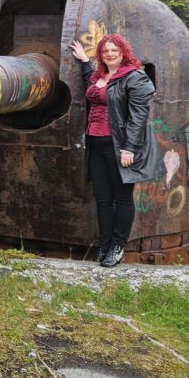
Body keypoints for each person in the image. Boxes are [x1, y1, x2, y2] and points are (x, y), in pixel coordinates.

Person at [68, 34, 163, 267]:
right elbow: (92, 87)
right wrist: (84, 62)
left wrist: (129, 148)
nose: (109, 54)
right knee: (102, 198)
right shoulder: (100, 76)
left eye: (114, 50)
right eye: (105, 51)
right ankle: (105, 243)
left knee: (121, 198)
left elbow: (138, 117)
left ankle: (118, 246)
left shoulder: (134, 77)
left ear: (123, 52)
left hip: (119, 145)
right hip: (95, 142)